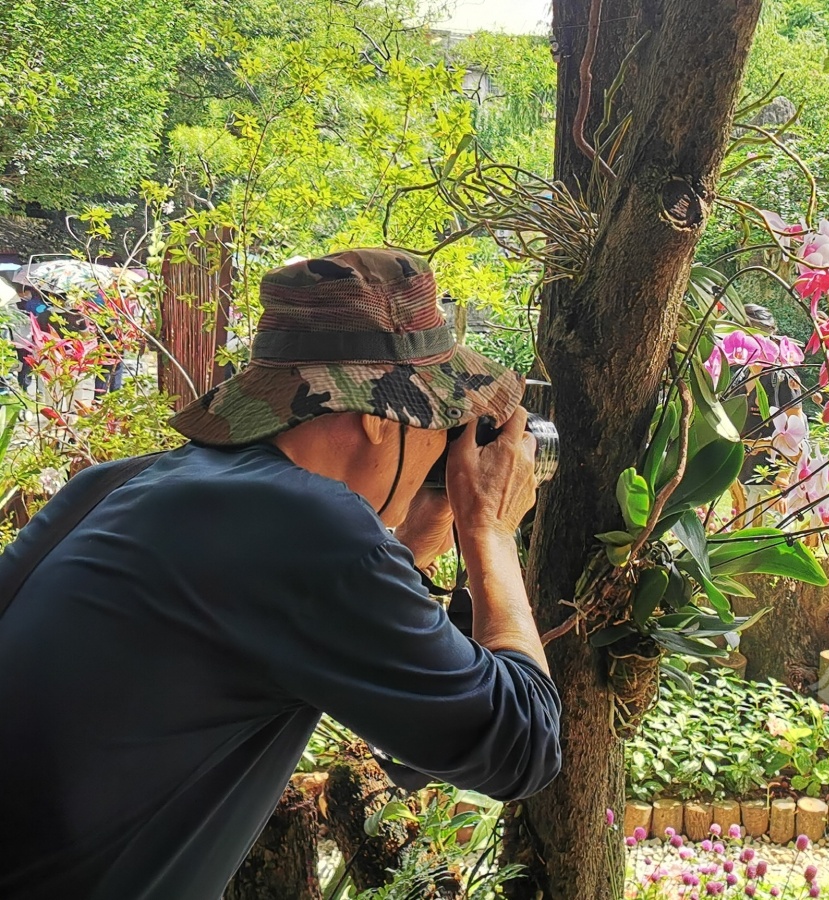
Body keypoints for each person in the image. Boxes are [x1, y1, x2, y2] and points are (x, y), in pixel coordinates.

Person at [0, 249, 563, 900]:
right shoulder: (307, 530)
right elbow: (524, 744)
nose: (447, 446)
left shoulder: (116, 486)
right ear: (384, 416)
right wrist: (490, 527)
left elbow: (371, 673)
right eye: (442, 422)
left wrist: (426, 531)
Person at [731, 304, 802, 527]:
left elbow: (796, 431)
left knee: (772, 543)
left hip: (771, 482)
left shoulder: (782, 377)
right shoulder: (737, 375)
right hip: (741, 476)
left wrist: (784, 476)